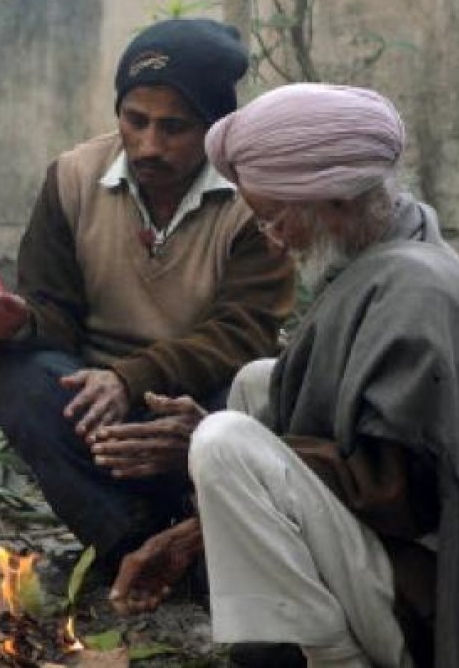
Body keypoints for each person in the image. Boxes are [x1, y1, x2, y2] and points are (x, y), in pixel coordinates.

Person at [109, 83, 457, 667]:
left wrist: (213, 468)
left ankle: (331, 656)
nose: (272, 239)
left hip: (422, 599)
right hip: (384, 559)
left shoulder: (414, 289)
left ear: (336, 201)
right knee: (255, 382)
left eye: (273, 218)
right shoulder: (399, 238)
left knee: (223, 440)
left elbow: (401, 494)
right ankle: (278, 638)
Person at [0, 19, 294, 574]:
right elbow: (55, 315)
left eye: (174, 127)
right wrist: (18, 321)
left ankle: (201, 536)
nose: (150, 144)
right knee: (20, 381)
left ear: (214, 126)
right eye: (136, 120)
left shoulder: (253, 199)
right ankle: (128, 542)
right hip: (95, 400)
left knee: (255, 398)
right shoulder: (72, 178)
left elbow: (243, 332)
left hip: (195, 400)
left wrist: (133, 377)